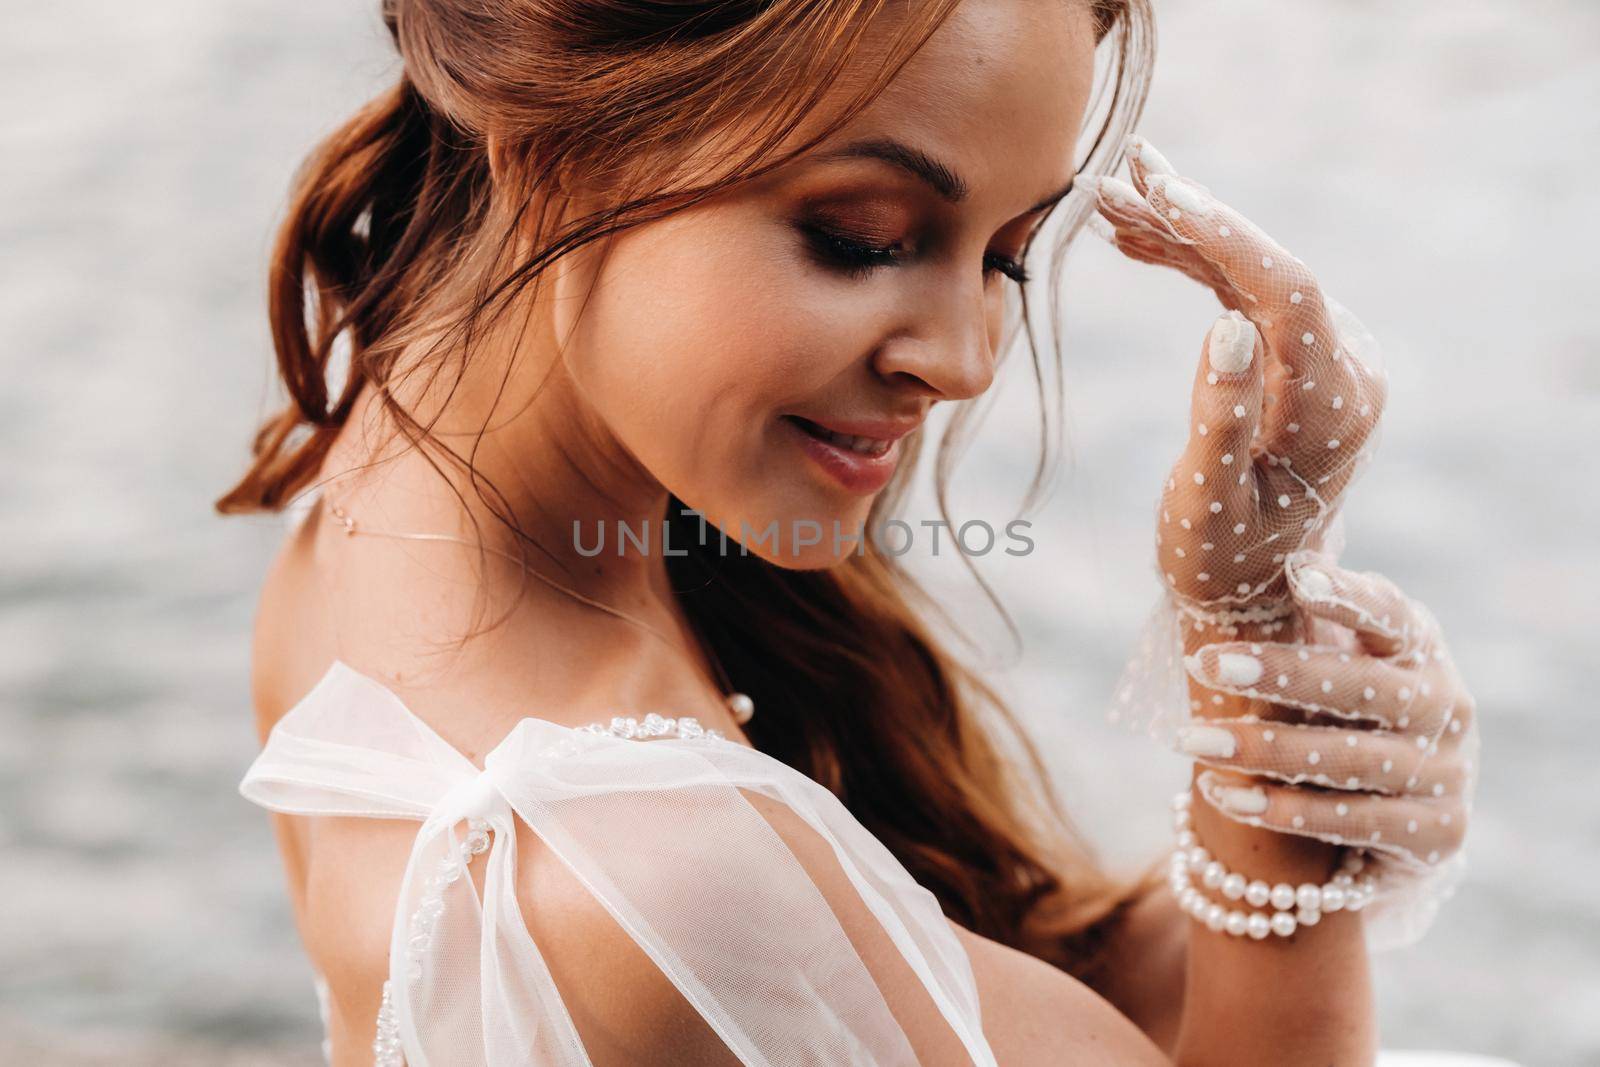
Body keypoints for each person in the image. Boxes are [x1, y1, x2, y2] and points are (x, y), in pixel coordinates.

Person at [221, 1, 1483, 1063]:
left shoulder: (378, 522)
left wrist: (1298, 788)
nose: (969, 360)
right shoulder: (655, 881)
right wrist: (1270, 780)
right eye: (863, 237)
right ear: (560, 138)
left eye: (1009, 255)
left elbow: (951, 975)